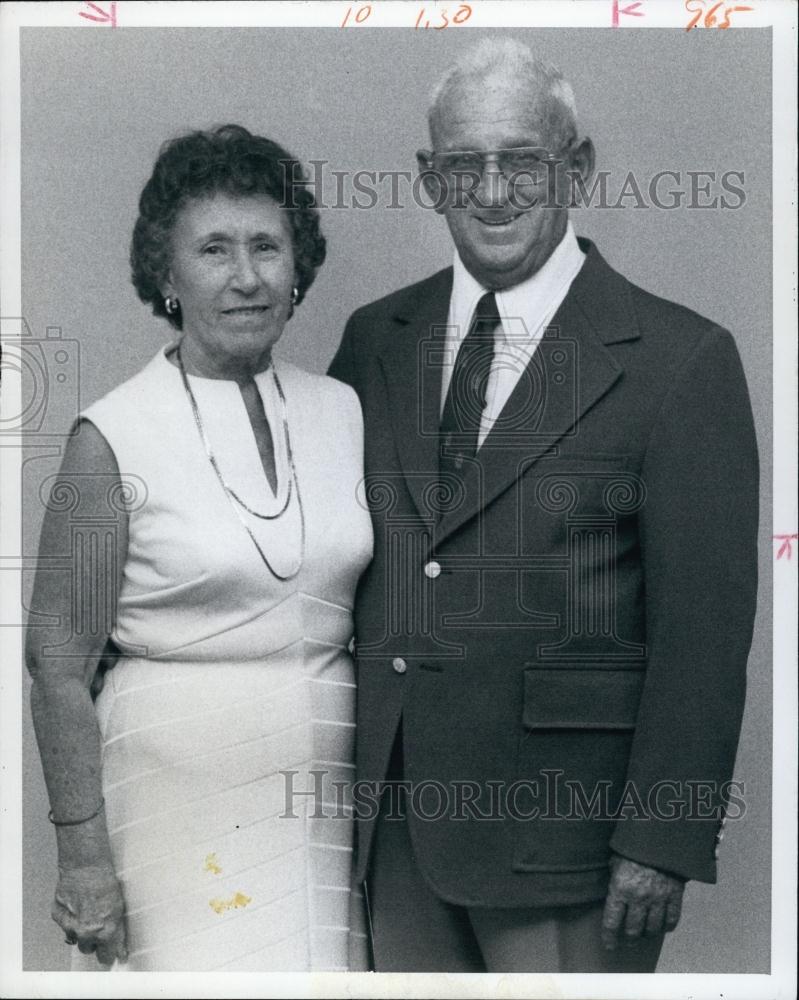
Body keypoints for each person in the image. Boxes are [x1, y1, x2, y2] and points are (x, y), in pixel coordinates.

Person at [328, 39, 759, 973]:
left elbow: (704, 637)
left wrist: (660, 839)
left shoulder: (679, 362)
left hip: (568, 843)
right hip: (396, 821)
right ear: (428, 179)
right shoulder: (374, 341)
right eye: (462, 164)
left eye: (520, 159)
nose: (491, 191)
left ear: (577, 168)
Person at [26, 124, 373, 972]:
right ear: (167, 274)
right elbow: (57, 660)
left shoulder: (342, 411)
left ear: (299, 266)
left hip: (320, 812)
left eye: (267, 246)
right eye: (214, 250)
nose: (247, 275)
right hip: (170, 810)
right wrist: (81, 857)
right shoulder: (111, 434)